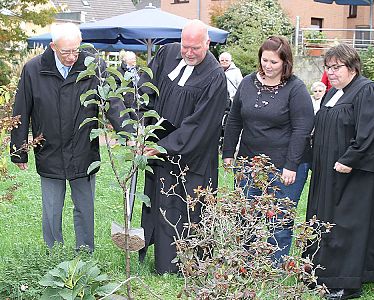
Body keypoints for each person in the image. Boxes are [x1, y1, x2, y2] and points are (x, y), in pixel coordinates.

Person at [10, 23, 128, 252]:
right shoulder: (33, 69)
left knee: (84, 207)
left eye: (76, 50)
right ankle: (53, 253)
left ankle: (85, 252)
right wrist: (19, 150)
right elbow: (21, 109)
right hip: (49, 149)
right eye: (66, 52)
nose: (72, 57)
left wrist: (128, 134)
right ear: (53, 47)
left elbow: (112, 101)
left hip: (83, 149)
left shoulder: (93, 66)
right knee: (52, 209)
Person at [304, 43, 374, 300]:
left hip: (355, 174)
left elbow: (373, 131)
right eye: (328, 67)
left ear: (353, 67)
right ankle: (322, 273)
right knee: (326, 220)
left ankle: (347, 283)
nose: (331, 72)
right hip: (329, 173)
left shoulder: (368, 92)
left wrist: (351, 158)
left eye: (337, 67)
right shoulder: (334, 94)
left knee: (347, 225)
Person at [138, 19, 227, 274]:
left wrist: (165, 147)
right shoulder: (167, 53)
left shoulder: (215, 77)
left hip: (191, 157)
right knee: (156, 200)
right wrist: (142, 124)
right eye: (185, 46)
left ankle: (176, 266)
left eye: (195, 48)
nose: (188, 53)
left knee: (180, 207)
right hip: (157, 147)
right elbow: (147, 88)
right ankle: (150, 251)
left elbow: (200, 125)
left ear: (207, 44)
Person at [222, 36, 314, 263]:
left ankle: (274, 268)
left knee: (279, 220)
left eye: (274, 62)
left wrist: (291, 165)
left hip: (285, 165)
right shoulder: (247, 83)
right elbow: (234, 120)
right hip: (248, 163)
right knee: (246, 216)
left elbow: (303, 128)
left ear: (285, 62)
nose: (268, 66)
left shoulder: (296, 88)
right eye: (265, 60)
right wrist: (227, 152)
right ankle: (246, 262)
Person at [117, 51, 140, 116]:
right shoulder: (119, 71)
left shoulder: (138, 70)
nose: (134, 60)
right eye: (131, 59)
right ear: (125, 60)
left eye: (134, 58)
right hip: (125, 104)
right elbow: (116, 86)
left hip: (137, 102)